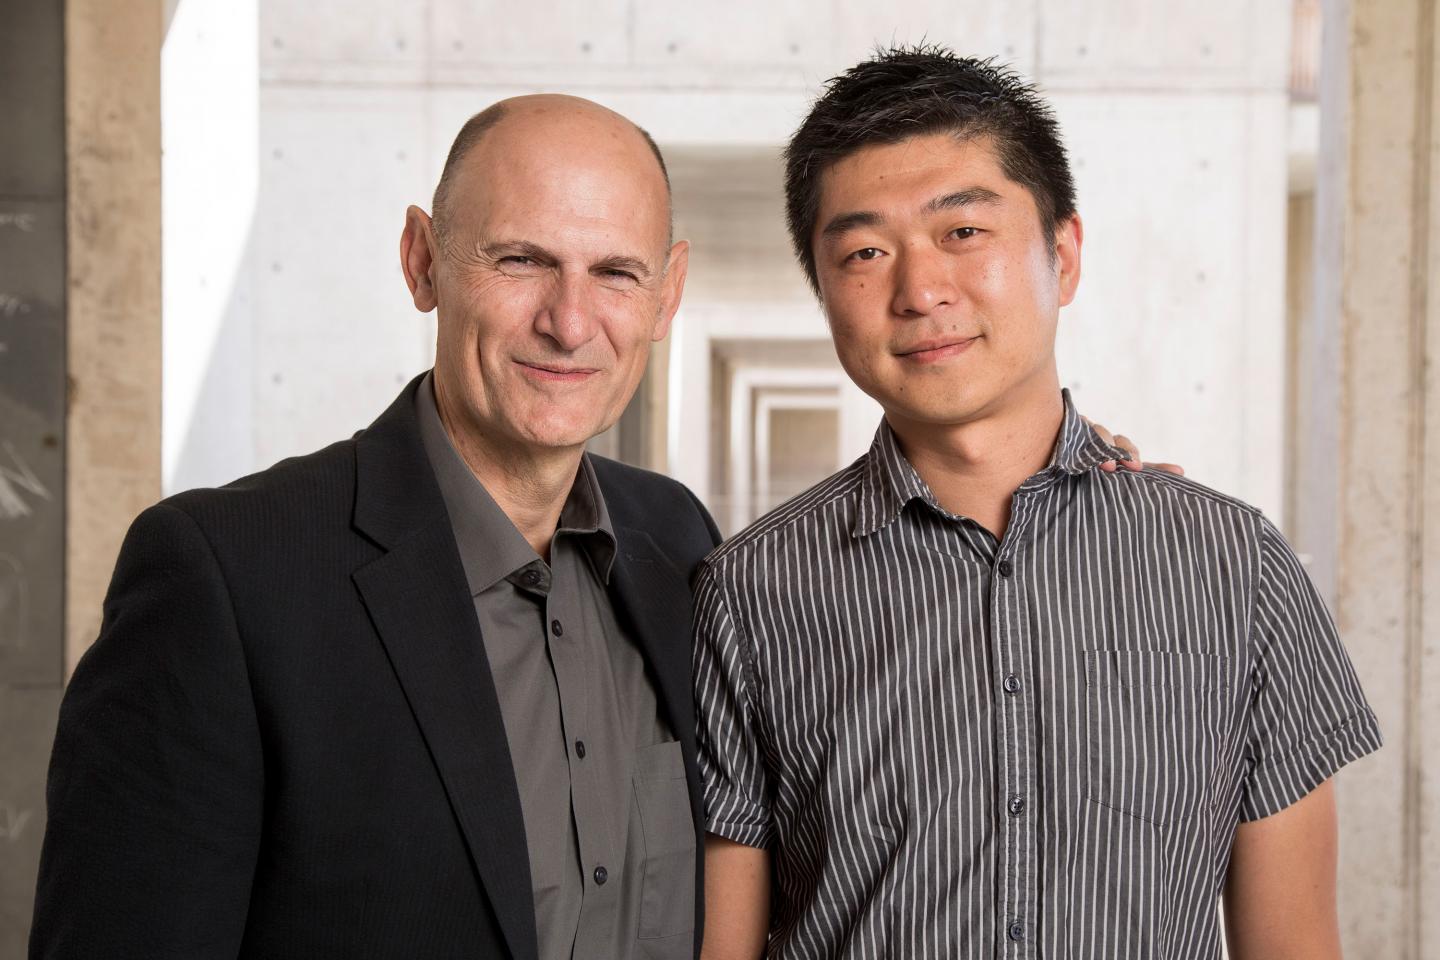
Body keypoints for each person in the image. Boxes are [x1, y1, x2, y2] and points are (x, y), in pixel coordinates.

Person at [694, 47, 1381, 960]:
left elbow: (1295, 944)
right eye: (865, 251)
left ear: (1063, 253)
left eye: (964, 233)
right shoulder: (749, 593)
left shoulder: (1236, 567)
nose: (920, 290)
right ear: (825, 292)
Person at [30, 95, 716, 960]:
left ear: (667, 294)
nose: (570, 321)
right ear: (423, 261)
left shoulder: (680, 542)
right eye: (520, 259)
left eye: (616, 273)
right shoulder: (224, 579)